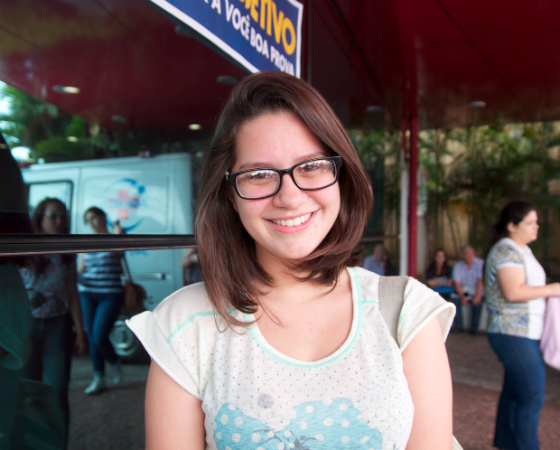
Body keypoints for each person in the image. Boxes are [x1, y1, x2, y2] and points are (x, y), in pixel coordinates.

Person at [127, 71, 455, 450]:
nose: (290, 196)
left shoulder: (403, 311)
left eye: (312, 166)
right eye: (260, 174)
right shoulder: (185, 324)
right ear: (229, 193)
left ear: (340, 177)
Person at [485, 201, 560, 450]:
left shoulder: (521, 250)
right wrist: (554, 289)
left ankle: (506, 444)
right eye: (530, 222)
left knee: (516, 393)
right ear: (512, 225)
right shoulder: (506, 250)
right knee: (532, 396)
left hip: (523, 332)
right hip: (512, 331)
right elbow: (513, 292)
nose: (536, 227)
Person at [18, 197, 87, 444]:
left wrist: (80, 331)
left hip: (58, 325)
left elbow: (72, 293)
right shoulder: (22, 247)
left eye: (62, 216)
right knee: (28, 390)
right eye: (53, 215)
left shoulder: (65, 250)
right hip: (25, 327)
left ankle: (59, 443)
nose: (59, 221)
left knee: (57, 391)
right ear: (40, 217)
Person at [78, 207, 124, 395]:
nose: (91, 222)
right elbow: (82, 267)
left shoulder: (115, 234)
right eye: (88, 219)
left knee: (99, 336)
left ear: (103, 217)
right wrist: (79, 277)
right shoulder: (86, 241)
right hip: (87, 292)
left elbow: (120, 254)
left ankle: (114, 362)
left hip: (110, 293)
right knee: (91, 335)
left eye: (94, 218)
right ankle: (99, 377)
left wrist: (116, 234)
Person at [451, 245, 484, 333]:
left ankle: (474, 328)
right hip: (464, 290)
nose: (470, 255)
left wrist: (477, 296)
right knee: (455, 300)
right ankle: (458, 326)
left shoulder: (480, 264)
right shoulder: (458, 266)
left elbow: (480, 281)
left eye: (471, 253)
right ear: (462, 255)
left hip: (477, 290)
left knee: (478, 301)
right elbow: (457, 283)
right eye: (467, 253)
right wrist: (462, 297)